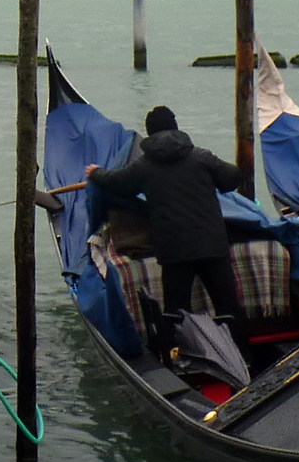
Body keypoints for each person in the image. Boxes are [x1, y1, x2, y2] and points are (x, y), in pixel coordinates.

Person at [86, 106, 243, 328]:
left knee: (176, 312)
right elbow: (232, 177)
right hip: (212, 244)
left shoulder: (144, 166)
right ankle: (240, 346)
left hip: (174, 250)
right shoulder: (201, 157)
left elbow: (117, 184)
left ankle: (178, 347)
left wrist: (95, 172)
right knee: (228, 307)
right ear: (176, 128)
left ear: (149, 133)